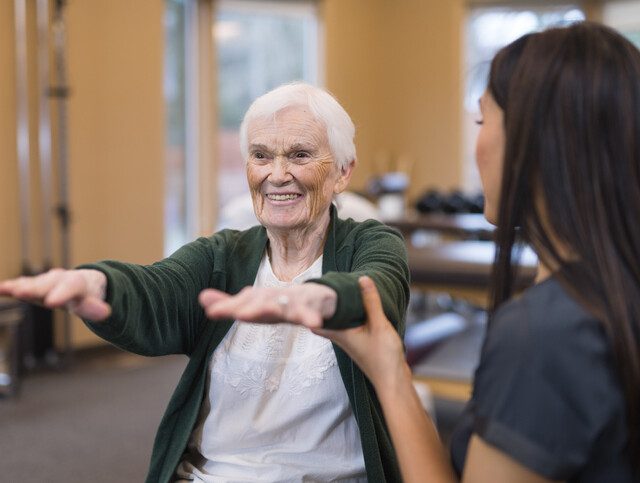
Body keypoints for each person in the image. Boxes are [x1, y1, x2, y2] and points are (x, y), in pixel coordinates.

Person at [231, 23, 640, 482]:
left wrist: (389, 376)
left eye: (483, 121)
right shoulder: (609, 292)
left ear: (545, 147)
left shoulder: (545, 335)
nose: (477, 145)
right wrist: (391, 372)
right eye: (262, 156)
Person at [0, 83, 410, 482]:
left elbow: (376, 290)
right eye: (261, 156)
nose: (278, 174)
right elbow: (158, 289)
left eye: (300, 155)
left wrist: (320, 299)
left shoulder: (371, 243)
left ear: (342, 172)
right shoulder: (222, 256)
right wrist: (99, 283)